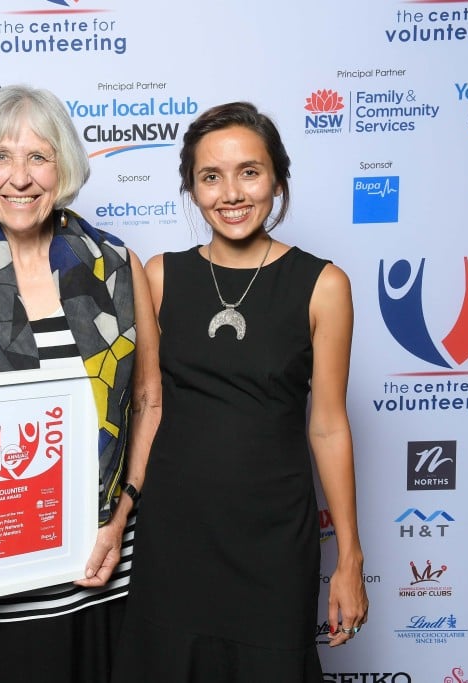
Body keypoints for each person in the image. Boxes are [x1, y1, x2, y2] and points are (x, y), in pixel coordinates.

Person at [112, 102, 369, 682]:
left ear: (276, 179)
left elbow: (328, 424)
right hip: (174, 534)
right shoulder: (159, 275)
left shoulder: (323, 285)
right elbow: (141, 404)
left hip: (273, 541)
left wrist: (349, 555)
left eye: (249, 172)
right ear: (192, 188)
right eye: (211, 176)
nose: (231, 193)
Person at [0, 84, 161, 683]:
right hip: (1, 567)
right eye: (0, 156)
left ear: (64, 169)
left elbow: (150, 400)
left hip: (109, 564)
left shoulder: (117, 263)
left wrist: (122, 512)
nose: (19, 178)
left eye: (38, 157)